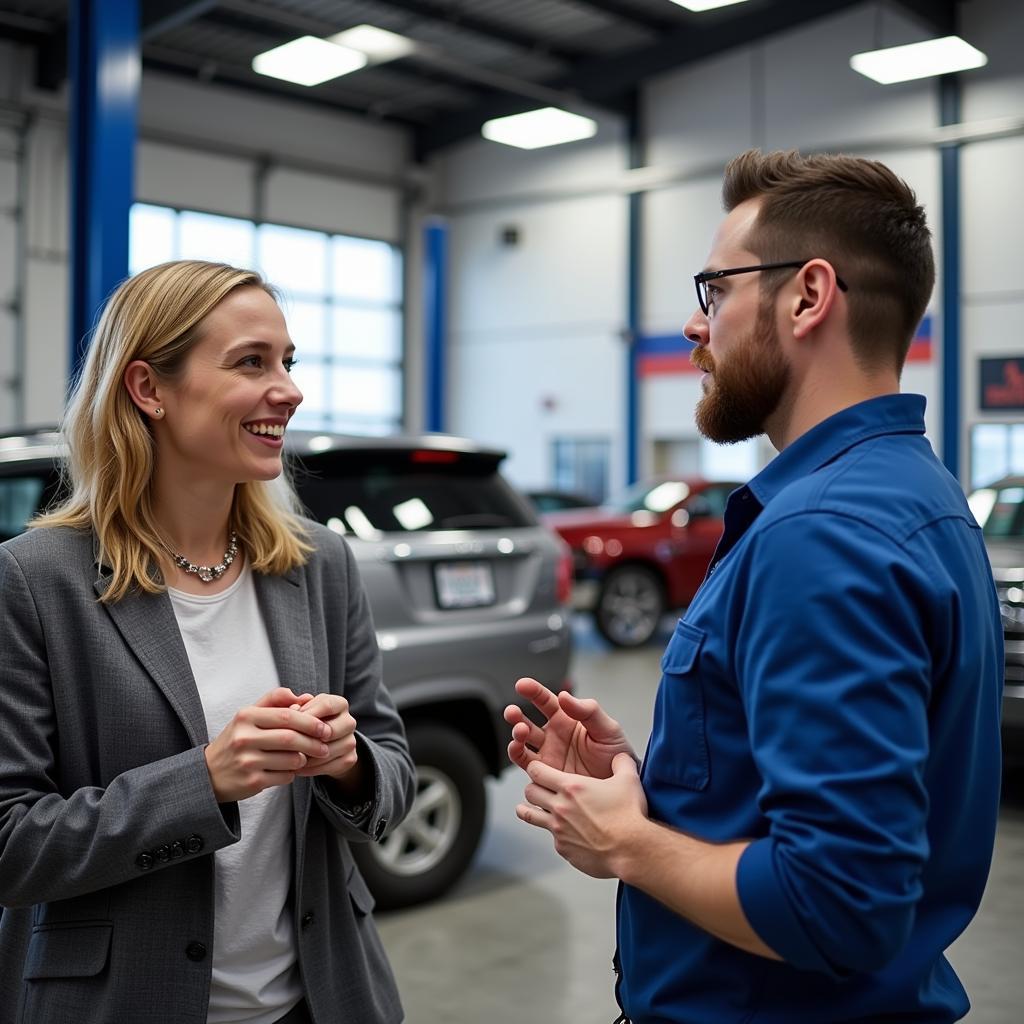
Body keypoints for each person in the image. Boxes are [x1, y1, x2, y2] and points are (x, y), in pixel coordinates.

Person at [505, 149, 1003, 1024]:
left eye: (716, 290)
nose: (696, 328)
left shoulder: (822, 533)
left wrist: (626, 843)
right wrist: (655, 782)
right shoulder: (914, 496)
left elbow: (837, 902)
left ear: (809, 296)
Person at [0, 259, 416, 1024]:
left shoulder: (320, 564)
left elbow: (393, 772)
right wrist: (206, 779)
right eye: (251, 362)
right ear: (148, 389)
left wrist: (351, 765)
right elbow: (11, 842)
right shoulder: (36, 581)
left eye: (288, 362)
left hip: (321, 999)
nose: (288, 389)